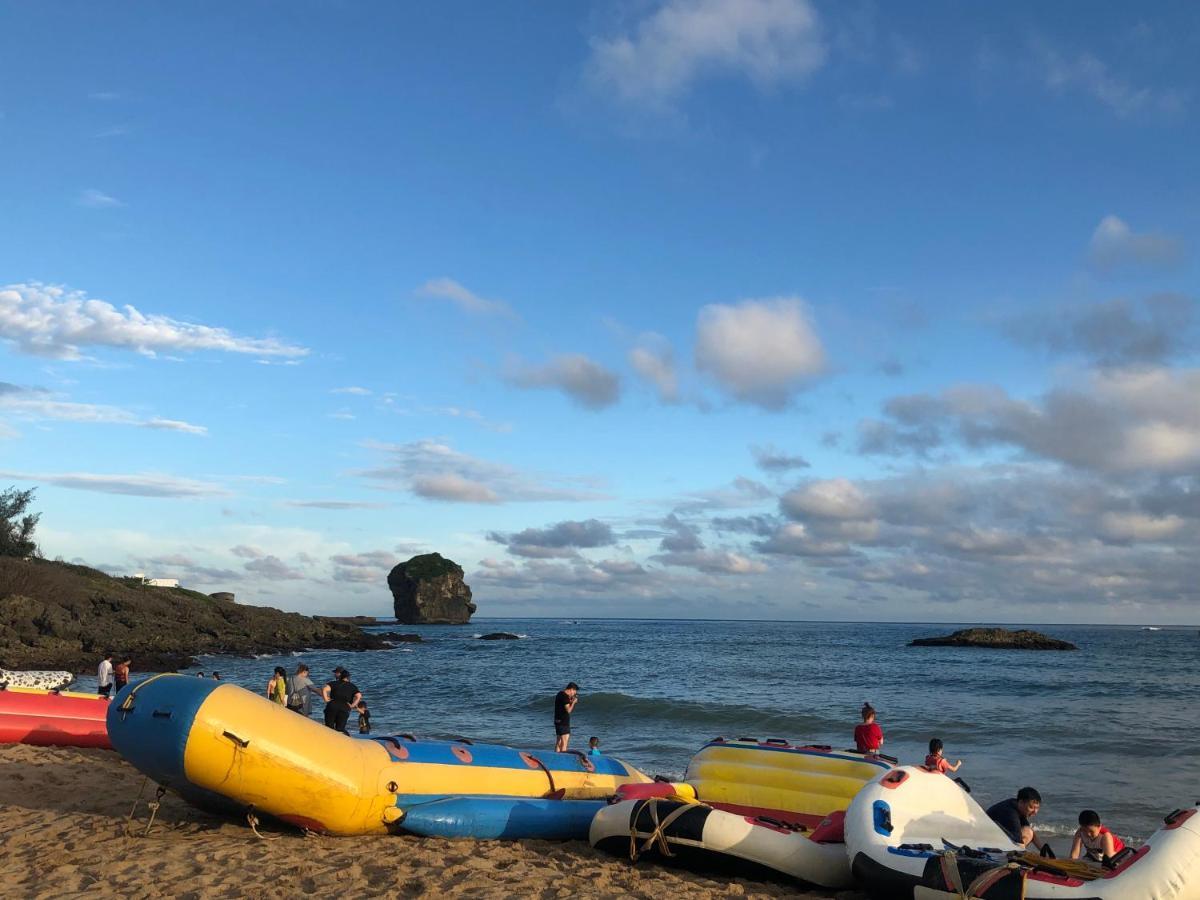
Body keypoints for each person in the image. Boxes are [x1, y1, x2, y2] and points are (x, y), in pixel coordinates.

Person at [987, 787, 1048, 852]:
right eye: (1031, 807)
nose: (1035, 811)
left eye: (1037, 808)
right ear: (1021, 802)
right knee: (1027, 833)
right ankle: (1013, 856)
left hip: (993, 837)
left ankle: (1012, 853)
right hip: (986, 841)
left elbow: (1032, 833)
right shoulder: (1011, 814)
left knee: (1029, 831)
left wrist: (1044, 852)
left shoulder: (1015, 804)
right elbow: (1019, 843)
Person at [322, 668, 361, 733]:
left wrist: (326, 700)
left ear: (340, 676)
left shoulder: (333, 683)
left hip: (332, 705)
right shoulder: (352, 686)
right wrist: (352, 705)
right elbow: (359, 696)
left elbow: (324, 689)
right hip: (344, 707)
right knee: (340, 729)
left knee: (329, 727)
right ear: (348, 677)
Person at [553, 682, 579, 752]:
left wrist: (570, 701)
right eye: (574, 692)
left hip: (557, 720)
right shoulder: (565, 696)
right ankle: (562, 759)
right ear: (571, 689)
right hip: (563, 722)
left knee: (559, 741)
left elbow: (563, 706)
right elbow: (568, 710)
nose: (574, 694)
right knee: (564, 742)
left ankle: (556, 757)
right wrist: (573, 702)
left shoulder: (559, 694)